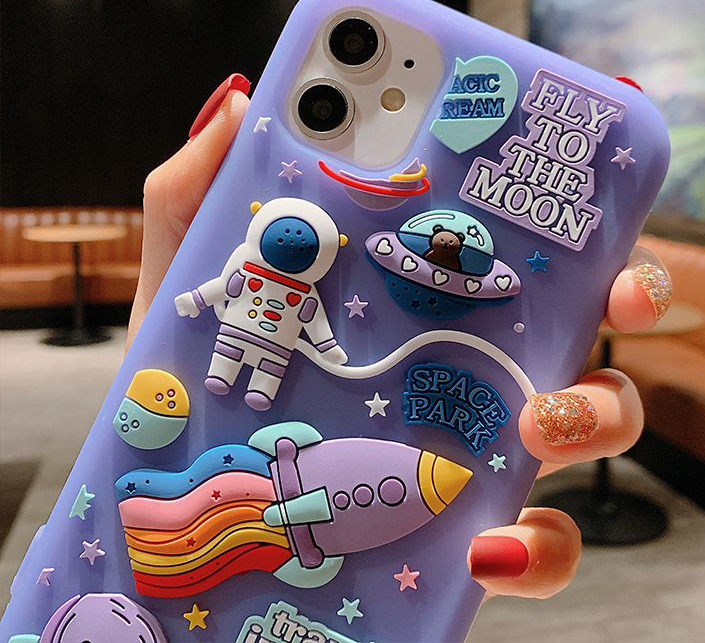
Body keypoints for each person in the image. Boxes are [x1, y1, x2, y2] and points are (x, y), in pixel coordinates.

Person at [126, 75, 672, 602]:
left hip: (282, 412)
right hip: (246, 373)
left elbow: (312, 322)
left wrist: (326, 350)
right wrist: (191, 307)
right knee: (230, 373)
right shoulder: (259, 266)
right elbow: (243, 296)